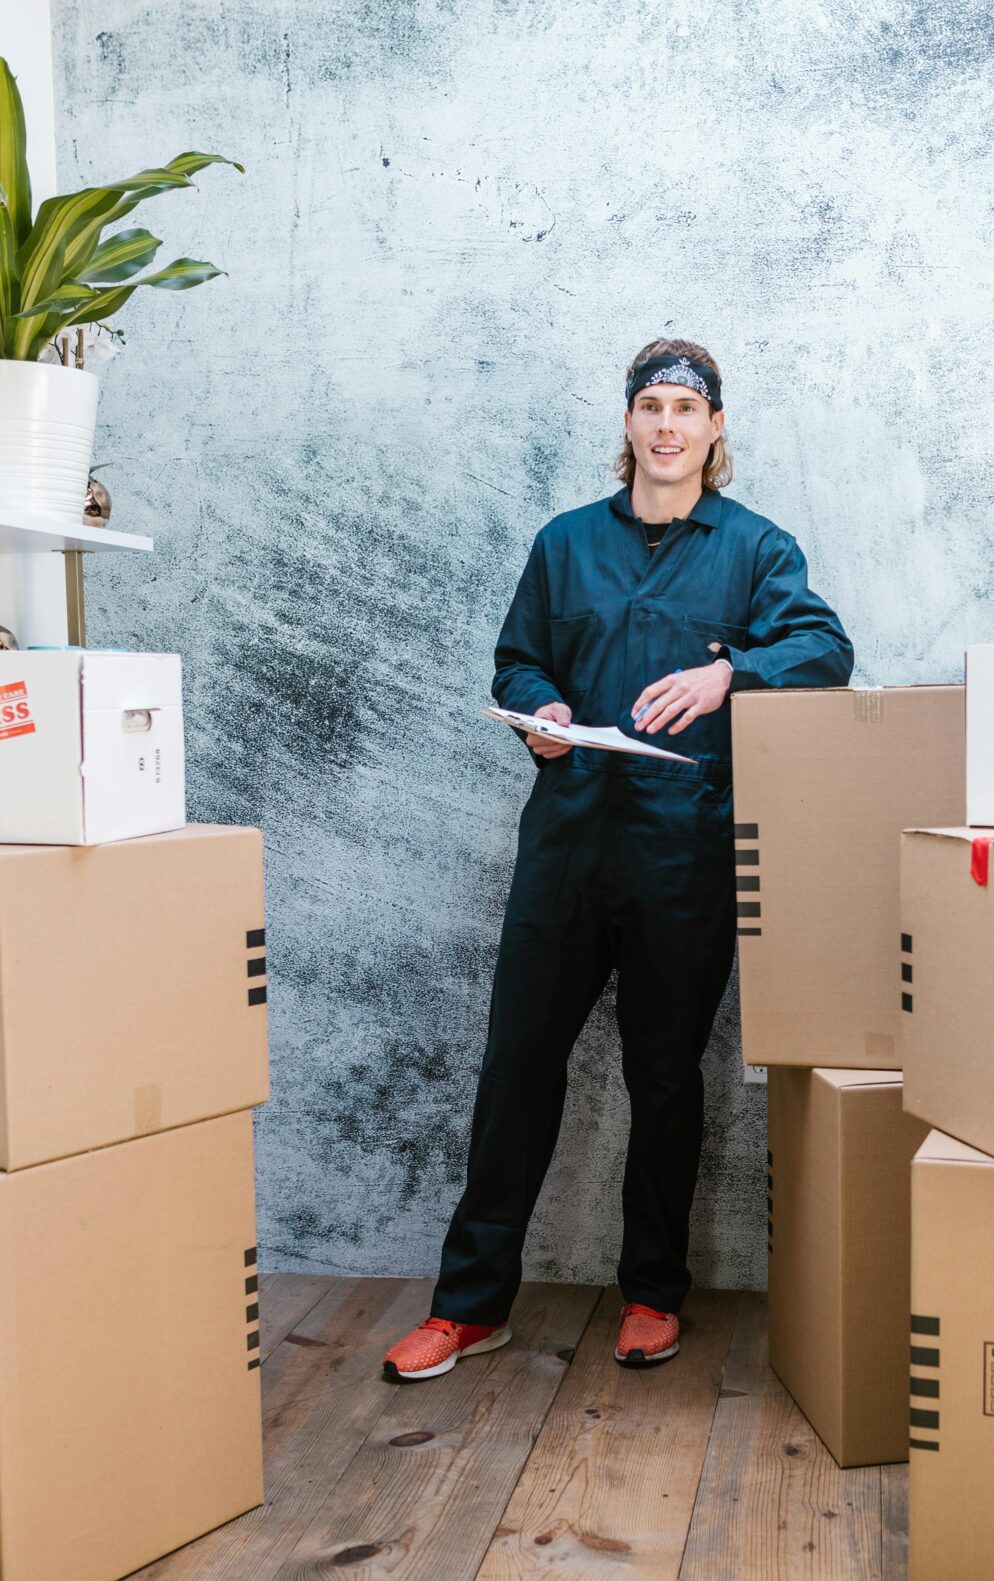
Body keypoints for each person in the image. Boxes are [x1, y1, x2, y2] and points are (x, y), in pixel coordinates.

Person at [384, 338, 854, 1379]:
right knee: (516, 1070)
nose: (668, 426)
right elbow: (519, 658)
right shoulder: (562, 546)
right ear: (629, 424)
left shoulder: (756, 550)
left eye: (688, 408)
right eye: (651, 406)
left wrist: (731, 674)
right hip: (565, 851)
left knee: (663, 1078)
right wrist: (538, 710)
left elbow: (826, 647)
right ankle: (469, 1307)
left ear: (714, 428)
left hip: (681, 858)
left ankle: (651, 1293)